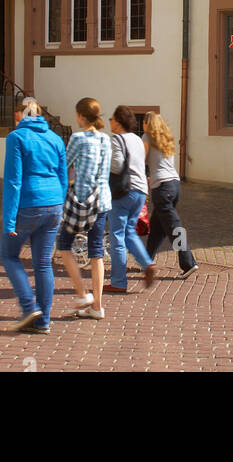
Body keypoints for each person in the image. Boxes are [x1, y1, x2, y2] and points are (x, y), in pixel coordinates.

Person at [0, 96, 68, 332]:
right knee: (43, 264)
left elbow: (13, 181)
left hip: (28, 204)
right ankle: (43, 320)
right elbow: (63, 177)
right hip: (53, 204)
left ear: (20, 114)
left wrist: (9, 221)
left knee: (9, 255)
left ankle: (29, 307)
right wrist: (59, 204)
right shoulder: (55, 139)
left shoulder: (16, 138)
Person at [56, 97, 112, 320]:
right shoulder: (106, 140)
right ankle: (97, 306)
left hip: (83, 200)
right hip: (103, 200)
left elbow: (64, 164)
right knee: (96, 252)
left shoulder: (78, 138)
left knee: (64, 244)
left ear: (81, 116)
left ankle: (82, 293)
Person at [142, 111, 197, 277]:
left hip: (162, 188)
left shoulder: (147, 137)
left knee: (174, 227)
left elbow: (141, 160)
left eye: (143, 122)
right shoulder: (167, 137)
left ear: (147, 123)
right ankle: (146, 260)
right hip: (174, 185)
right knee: (158, 227)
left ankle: (188, 263)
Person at [106, 105, 154, 293]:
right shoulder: (136, 139)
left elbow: (117, 166)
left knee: (117, 235)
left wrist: (103, 163)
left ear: (118, 122)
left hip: (123, 190)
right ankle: (147, 264)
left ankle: (118, 281)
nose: (110, 122)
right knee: (129, 232)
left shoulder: (117, 139)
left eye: (111, 119)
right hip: (141, 190)